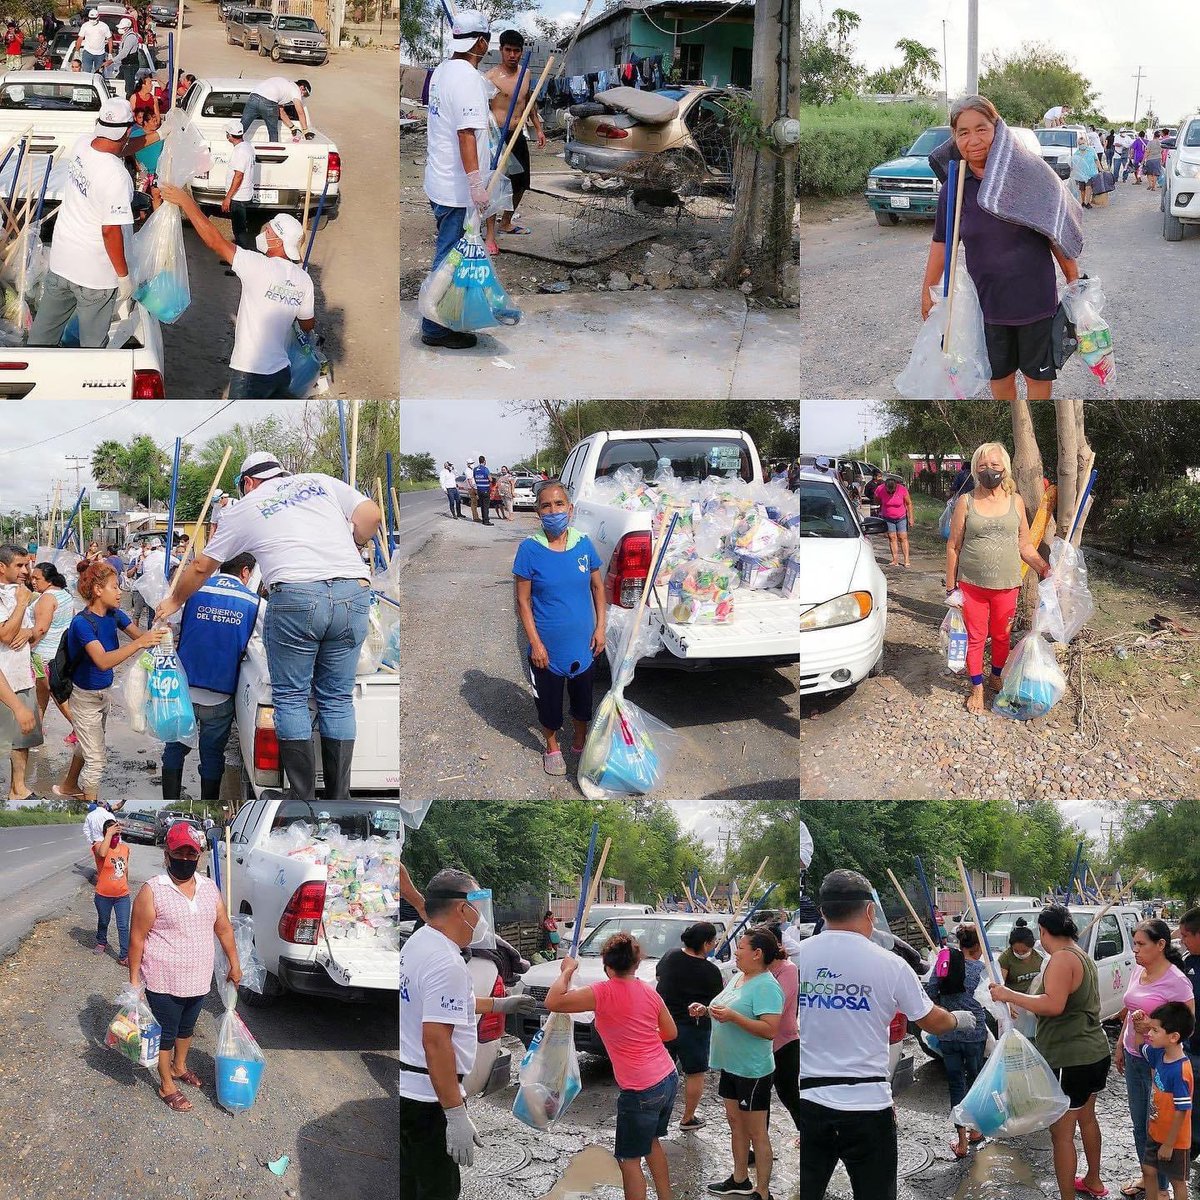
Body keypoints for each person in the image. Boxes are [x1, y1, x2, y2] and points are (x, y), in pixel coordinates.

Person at [156, 453, 381, 805]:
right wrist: (354, 541)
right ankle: (339, 798)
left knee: (291, 698)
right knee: (337, 699)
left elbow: (201, 567)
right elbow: (372, 516)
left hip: (295, 596)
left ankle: (303, 798)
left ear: (247, 483)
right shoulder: (319, 480)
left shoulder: (245, 507)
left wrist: (173, 602)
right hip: (354, 592)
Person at [797, 870, 979, 1200]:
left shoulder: (800, 957)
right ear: (869, 911)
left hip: (811, 1102)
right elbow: (930, 1021)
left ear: (823, 912)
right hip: (867, 1107)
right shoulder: (890, 964)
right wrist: (957, 1020)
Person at [920, 95, 1082, 401]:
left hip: (1036, 305)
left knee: (1038, 380)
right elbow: (942, 242)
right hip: (988, 307)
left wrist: (1075, 284)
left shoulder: (1031, 176)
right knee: (1000, 379)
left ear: (998, 129)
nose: (973, 140)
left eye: (981, 129)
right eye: (963, 133)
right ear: (955, 138)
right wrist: (927, 289)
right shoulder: (955, 189)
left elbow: (1056, 232)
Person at [399, 868, 536, 1199]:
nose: (483, 919)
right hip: (430, 1098)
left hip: (409, 1092)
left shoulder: (420, 942)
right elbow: (436, 1042)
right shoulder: (447, 962)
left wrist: (499, 1005)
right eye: (479, 907)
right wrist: (456, 1115)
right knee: (438, 1189)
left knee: (410, 1181)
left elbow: (438, 1003)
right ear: (463, 910)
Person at [989, 905, 1114, 1200]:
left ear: (1044, 932)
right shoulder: (1081, 955)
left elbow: (1052, 1004)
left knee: (1061, 1134)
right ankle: (1093, 1180)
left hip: (1071, 1058)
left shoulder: (1061, 959)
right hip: (1094, 1051)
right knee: (1087, 1118)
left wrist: (1008, 994)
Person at [546, 933, 678, 1200]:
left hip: (641, 1089)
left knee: (629, 1160)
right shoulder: (648, 992)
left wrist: (567, 970)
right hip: (667, 1077)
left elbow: (554, 1001)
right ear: (636, 964)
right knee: (651, 1142)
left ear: (607, 965)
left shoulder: (602, 992)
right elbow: (670, 1032)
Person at [157, 181, 316, 397]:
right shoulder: (304, 279)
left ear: (277, 240)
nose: (264, 232)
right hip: (282, 371)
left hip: (250, 371)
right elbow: (307, 324)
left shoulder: (258, 266)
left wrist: (186, 202)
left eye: (268, 230)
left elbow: (215, 241)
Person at [28, 98, 162, 349]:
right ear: (126, 131)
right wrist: (123, 276)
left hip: (62, 262)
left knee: (42, 337)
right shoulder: (117, 176)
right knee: (92, 347)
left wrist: (158, 135)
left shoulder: (83, 144)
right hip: (95, 276)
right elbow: (110, 231)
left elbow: (118, 147)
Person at [128, 821, 240, 1112]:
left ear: (199, 857)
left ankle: (179, 1067)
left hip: (199, 979)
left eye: (191, 855)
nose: (186, 860)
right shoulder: (153, 890)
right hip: (163, 979)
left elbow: (224, 928)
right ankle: (166, 1084)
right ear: (167, 855)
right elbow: (137, 940)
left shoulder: (209, 888)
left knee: (186, 1029)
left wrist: (234, 963)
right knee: (167, 1032)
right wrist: (134, 983)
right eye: (180, 854)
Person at [945, 442, 1052, 715]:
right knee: (976, 637)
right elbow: (953, 546)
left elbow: (1025, 545)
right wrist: (950, 587)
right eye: (982, 466)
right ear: (974, 469)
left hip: (1007, 585)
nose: (988, 471)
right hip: (972, 585)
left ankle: (995, 675)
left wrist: (1044, 568)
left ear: (1004, 467)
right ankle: (977, 687)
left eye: (994, 465)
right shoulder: (966, 501)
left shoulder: (1015, 502)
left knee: (1002, 637)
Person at [512, 481, 605, 777]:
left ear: (570, 508)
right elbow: (523, 603)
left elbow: (597, 587)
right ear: (538, 512)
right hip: (547, 651)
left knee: (583, 701)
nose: (554, 511)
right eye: (546, 506)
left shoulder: (583, 544)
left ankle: (579, 739)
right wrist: (536, 644)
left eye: (559, 504)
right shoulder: (529, 550)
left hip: (584, 646)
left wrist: (601, 628)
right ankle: (552, 746)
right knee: (549, 706)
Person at [54, 560, 166, 803]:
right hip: (84, 697)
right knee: (96, 759)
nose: (120, 592)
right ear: (97, 590)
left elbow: (143, 637)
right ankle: (90, 810)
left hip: (103, 694)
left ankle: (68, 785)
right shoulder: (82, 623)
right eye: (115, 587)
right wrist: (139, 644)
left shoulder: (114, 614)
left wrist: (160, 624)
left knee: (87, 745)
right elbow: (103, 661)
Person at [686, 929, 782, 1200]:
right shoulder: (740, 977)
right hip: (731, 1065)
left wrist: (732, 1017)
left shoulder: (766, 985)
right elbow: (726, 1008)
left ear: (757, 953)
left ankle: (762, 1191)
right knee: (735, 1123)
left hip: (752, 1070)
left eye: (740, 947)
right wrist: (705, 1010)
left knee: (756, 1131)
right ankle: (739, 1178)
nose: (735, 952)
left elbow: (769, 1030)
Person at [160, 553, 260, 803]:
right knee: (213, 755)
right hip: (220, 694)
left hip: (182, 690)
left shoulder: (193, 591)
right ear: (245, 572)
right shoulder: (254, 602)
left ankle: (169, 802)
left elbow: (168, 626)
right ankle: (208, 804)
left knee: (174, 748)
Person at [420, 10, 492, 350]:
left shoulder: (442, 71)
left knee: (451, 257)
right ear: (480, 41)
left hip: (441, 180)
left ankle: (444, 320)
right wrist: (477, 184)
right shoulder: (466, 77)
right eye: (487, 42)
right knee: (449, 259)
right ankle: (434, 328)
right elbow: (466, 134)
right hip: (456, 189)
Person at [1113, 920, 1196, 1198]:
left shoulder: (1177, 982)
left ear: (1161, 945)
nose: (1135, 950)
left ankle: (1162, 1188)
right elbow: (1131, 1009)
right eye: (1134, 943)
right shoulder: (1139, 969)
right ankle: (1149, 1176)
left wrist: (1152, 1030)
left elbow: (1187, 1027)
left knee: (1158, 1124)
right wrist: (1122, 1045)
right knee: (1139, 1124)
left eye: (1140, 944)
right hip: (1135, 1054)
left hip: (1158, 1064)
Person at [924, 923, 988, 1159]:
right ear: (978, 946)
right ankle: (976, 1131)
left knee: (956, 1085)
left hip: (948, 1031)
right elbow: (991, 998)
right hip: (974, 1033)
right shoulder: (982, 969)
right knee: (975, 1080)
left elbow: (930, 994)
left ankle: (961, 1142)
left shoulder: (943, 964)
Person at [656, 921, 723, 1130]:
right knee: (694, 1074)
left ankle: (654, 1118)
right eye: (713, 941)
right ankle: (687, 1117)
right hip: (694, 1028)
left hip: (664, 1023)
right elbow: (716, 1001)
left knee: (659, 1072)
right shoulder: (711, 971)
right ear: (706, 943)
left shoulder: (670, 956)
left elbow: (659, 977)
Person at [483, 28, 546, 250]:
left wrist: (538, 128)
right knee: (494, 183)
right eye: (508, 50)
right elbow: (482, 110)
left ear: (521, 52)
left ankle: (506, 222)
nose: (512, 55)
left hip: (518, 133)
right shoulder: (490, 77)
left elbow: (529, 103)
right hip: (496, 136)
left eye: (516, 51)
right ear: (500, 50)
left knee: (522, 182)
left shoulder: (526, 74)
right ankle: (490, 233)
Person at [1127, 1003, 1195, 1200]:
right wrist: (1139, 1024)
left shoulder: (1180, 1071)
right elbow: (1141, 1046)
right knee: (1148, 1170)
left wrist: (1169, 1144)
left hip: (1174, 1140)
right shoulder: (1159, 1055)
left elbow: (1182, 1110)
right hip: (1155, 1133)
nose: (1151, 1034)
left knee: (1177, 1181)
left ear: (1173, 1037)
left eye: (1155, 1030)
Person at [0, 545, 46, 802]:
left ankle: (18, 788)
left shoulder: (22, 593)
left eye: (27, 565)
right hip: (4, 680)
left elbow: (30, 634)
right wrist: (20, 604)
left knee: (22, 739)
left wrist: (28, 633)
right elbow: (5, 635)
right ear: (1, 567)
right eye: (19, 565)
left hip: (21, 676)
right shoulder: (17, 597)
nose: (25, 571)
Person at [761, 923, 803, 1146]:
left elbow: (777, 1005)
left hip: (784, 1041)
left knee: (788, 1092)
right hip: (759, 1042)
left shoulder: (788, 969)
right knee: (760, 1095)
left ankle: (806, 1131)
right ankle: (759, 1143)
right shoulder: (758, 970)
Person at [28, 560, 76, 730]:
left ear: (49, 580)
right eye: (32, 578)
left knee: (57, 695)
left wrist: (25, 644)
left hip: (43, 655)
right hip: (60, 652)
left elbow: (41, 629)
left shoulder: (47, 598)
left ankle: (81, 729)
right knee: (43, 693)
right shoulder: (64, 594)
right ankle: (37, 729)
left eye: (37, 579)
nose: (33, 581)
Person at [92, 815, 131, 964]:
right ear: (105, 833)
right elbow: (102, 854)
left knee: (123, 925)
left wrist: (125, 884)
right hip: (103, 895)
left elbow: (126, 870)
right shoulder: (98, 846)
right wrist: (109, 833)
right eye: (113, 834)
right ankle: (101, 942)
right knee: (104, 920)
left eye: (118, 834)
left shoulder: (126, 849)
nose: (116, 837)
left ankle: (124, 956)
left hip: (122, 895)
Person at [220, 120, 256, 253]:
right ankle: (237, 256)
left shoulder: (240, 152)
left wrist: (228, 197)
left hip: (239, 196)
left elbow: (238, 176)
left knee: (239, 230)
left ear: (229, 135)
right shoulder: (247, 147)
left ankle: (241, 259)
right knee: (239, 228)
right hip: (243, 194)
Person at [240, 77, 313, 143]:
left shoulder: (284, 86)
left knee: (241, 128)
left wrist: (292, 127)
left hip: (253, 97)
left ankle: (235, 146)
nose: (303, 96)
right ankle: (273, 151)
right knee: (273, 132)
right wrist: (305, 131)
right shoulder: (296, 89)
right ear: (302, 87)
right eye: (305, 94)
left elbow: (281, 111)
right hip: (269, 102)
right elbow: (300, 112)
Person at [875, 475, 913, 568]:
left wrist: (911, 517)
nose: (891, 493)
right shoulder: (880, 489)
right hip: (888, 517)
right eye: (889, 491)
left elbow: (909, 503)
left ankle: (906, 559)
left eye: (892, 491)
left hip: (901, 517)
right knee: (892, 538)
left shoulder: (902, 489)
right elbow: (876, 500)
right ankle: (895, 559)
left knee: (903, 537)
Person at [998, 922, 1045, 995]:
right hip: (1013, 999)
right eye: (1016, 951)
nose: (1020, 954)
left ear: (1031, 946)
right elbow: (1000, 985)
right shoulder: (1005, 958)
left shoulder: (1040, 957)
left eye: (1024, 951)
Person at [108, 17, 140, 98]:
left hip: (130, 65)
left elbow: (124, 53)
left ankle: (129, 102)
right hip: (125, 65)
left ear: (127, 28)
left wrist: (111, 61)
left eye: (122, 28)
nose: (120, 30)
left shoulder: (131, 37)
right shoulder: (125, 36)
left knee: (129, 89)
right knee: (119, 80)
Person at [76, 8, 112, 74]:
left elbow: (110, 39)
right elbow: (80, 39)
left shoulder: (104, 26)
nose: (92, 20)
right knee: (86, 73)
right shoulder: (85, 26)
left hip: (100, 54)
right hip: (88, 53)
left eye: (94, 18)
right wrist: (77, 50)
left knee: (99, 74)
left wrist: (110, 53)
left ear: (98, 17)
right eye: (91, 18)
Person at [1071, 137, 1099, 208]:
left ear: (1086, 143)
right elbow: (1075, 164)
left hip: (1090, 173)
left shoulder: (1091, 150)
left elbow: (1096, 160)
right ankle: (1083, 201)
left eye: (1083, 143)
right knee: (1082, 189)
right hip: (1081, 174)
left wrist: (1100, 169)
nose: (1082, 145)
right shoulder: (1076, 153)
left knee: (1088, 187)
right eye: (1080, 144)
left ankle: (1088, 203)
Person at [473, 456, 492, 527]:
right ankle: (486, 521)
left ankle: (484, 519)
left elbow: (474, 478)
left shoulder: (475, 469)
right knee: (486, 506)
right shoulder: (485, 469)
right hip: (485, 490)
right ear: (484, 461)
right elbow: (490, 479)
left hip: (479, 490)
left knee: (482, 505)